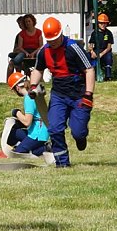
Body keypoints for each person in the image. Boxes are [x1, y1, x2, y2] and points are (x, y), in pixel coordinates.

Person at [28, 17, 95, 168]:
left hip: (79, 94)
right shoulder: (43, 52)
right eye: (50, 40)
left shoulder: (73, 48)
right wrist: (33, 86)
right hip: (59, 94)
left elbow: (89, 70)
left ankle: (81, 137)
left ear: (60, 35)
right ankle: (62, 163)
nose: (53, 43)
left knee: (78, 132)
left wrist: (88, 94)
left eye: (55, 39)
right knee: (54, 128)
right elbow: (38, 69)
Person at [1, 71, 53, 164]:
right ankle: (30, 146)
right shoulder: (32, 95)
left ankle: (45, 148)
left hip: (38, 134)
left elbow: (27, 122)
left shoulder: (29, 98)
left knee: (17, 153)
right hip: (37, 130)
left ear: (17, 88)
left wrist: (16, 113)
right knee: (11, 133)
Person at [88, 13, 114, 82]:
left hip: (105, 51)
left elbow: (109, 47)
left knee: (108, 58)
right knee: (88, 57)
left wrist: (102, 54)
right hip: (96, 50)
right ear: (98, 24)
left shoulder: (109, 33)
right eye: (101, 23)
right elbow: (91, 45)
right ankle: (91, 76)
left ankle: (108, 77)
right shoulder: (94, 33)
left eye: (105, 23)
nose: (103, 25)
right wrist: (92, 52)